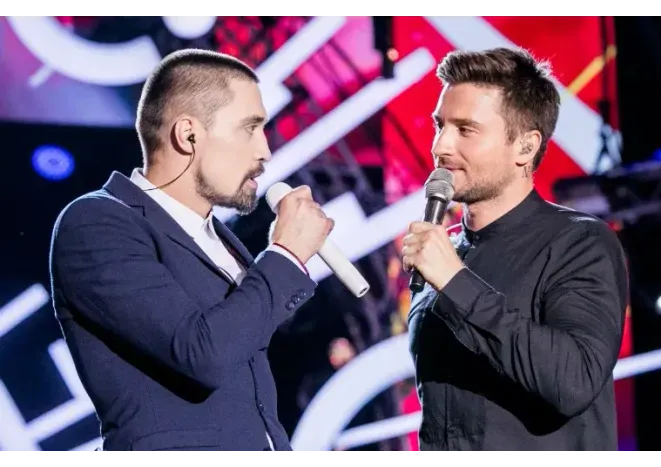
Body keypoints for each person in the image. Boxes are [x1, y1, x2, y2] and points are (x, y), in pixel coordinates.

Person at [49, 49, 334, 453]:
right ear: (188, 134)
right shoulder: (97, 223)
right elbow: (200, 354)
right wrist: (286, 254)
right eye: (249, 128)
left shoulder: (220, 238)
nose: (264, 151)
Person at [402, 47, 628, 455]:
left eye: (466, 129)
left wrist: (456, 283)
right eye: (440, 125)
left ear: (525, 147)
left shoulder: (578, 242)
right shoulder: (443, 253)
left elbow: (573, 382)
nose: (441, 145)